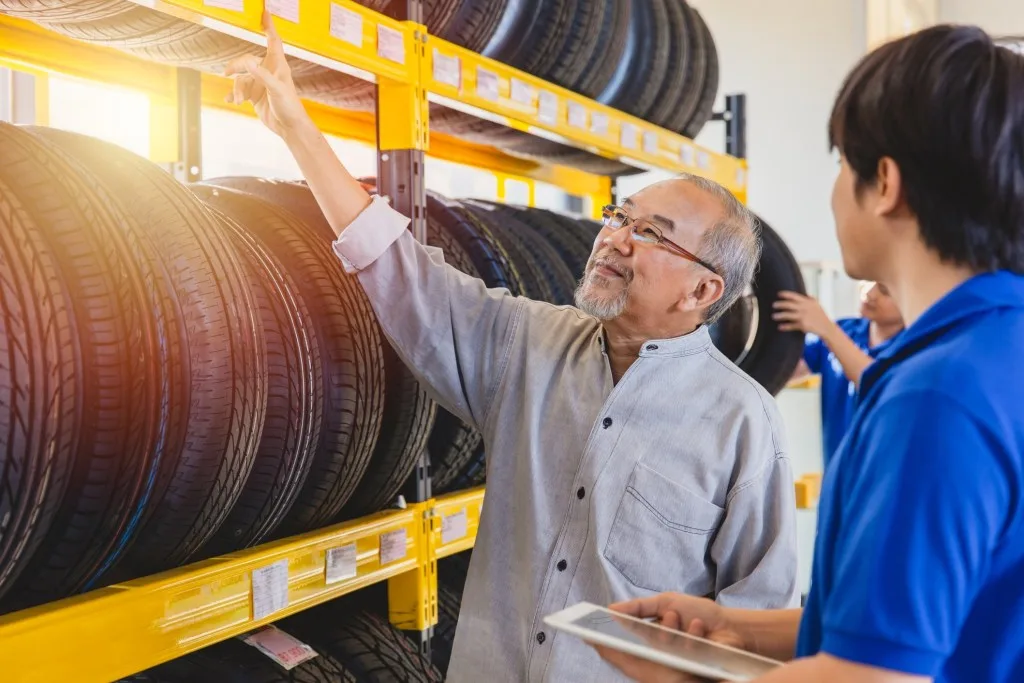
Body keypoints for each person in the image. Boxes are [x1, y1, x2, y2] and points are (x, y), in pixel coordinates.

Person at [225, 13, 798, 682]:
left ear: (703, 289)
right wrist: (295, 124)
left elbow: (752, 635)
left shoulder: (742, 423)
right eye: (619, 215)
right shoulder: (530, 344)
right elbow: (400, 272)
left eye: (651, 232)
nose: (614, 236)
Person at [594, 23, 1024, 683]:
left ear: (885, 183)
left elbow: (874, 676)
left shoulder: (938, 397)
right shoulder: (997, 353)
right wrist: (734, 628)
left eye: (841, 164)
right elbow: (914, 620)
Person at [773, 282, 904, 466]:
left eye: (884, 290)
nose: (869, 293)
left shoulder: (916, 349)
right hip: (837, 475)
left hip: (883, 474)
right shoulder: (846, 330)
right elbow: (781, 370)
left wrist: (826, 328)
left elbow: (877, 385)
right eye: (869, 281)